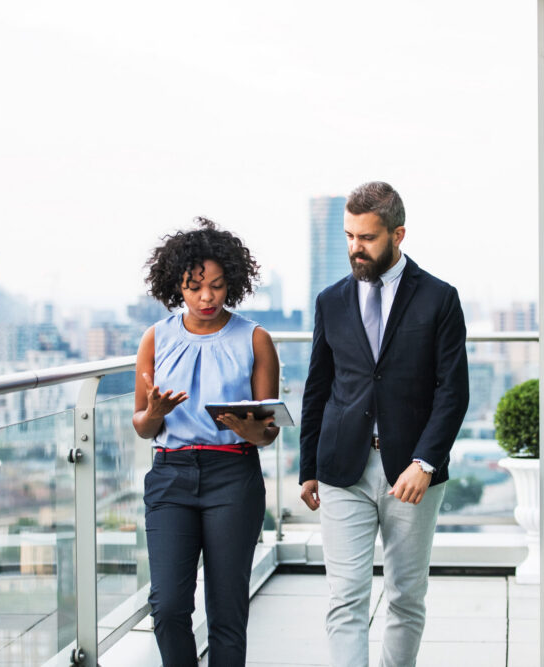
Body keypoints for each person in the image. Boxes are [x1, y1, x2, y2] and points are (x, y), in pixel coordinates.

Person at [299, 181, 469, 667]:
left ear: (398, 234)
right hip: (341, 468)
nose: (356, 248)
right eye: (349, 236)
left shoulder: (439, 298)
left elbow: (453, 391)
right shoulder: (330, 300)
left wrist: (426, 462)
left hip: (412, 472)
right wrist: (307, 466)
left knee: (405, 597)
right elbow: (318, 387)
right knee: (345, 598)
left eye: (367, 238)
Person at [132, 218, 280, 666]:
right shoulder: (155, 338)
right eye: (195, 287)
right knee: (170, 607)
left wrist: (250, 430)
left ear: (231, 283)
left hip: (232, 476)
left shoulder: (255, 339)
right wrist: (154, 414)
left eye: (216, 286)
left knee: (227, 611)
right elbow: (141, 425)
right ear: (177, 284)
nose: (206, 297)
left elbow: (268, 430)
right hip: (171, 476)